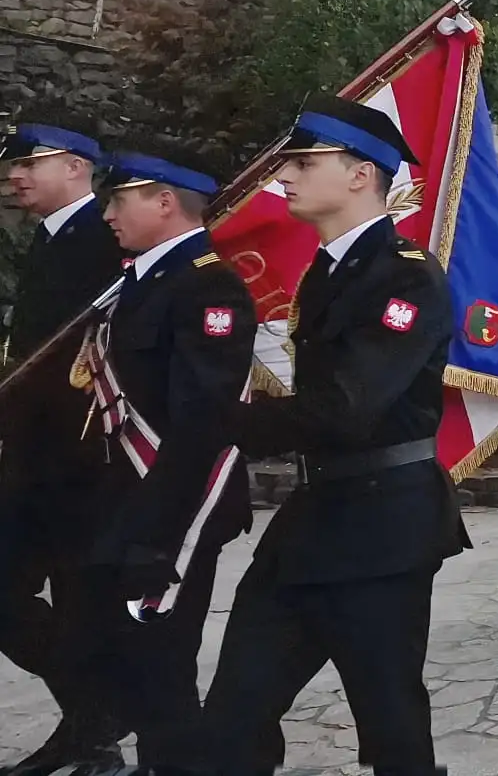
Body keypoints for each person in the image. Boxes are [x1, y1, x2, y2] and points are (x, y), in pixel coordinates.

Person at [202, 95, 472, 776]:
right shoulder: (329, 268)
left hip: (384, 531)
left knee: (392, 731)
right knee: (234, 713)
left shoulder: (406, 276)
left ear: (360, 174)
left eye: (303, 161)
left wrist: (215, 421)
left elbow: (344, 408)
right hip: (317, 519)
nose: (283, 176)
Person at [62, 153, 257, 771]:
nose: (108, 212)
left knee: (162, 668)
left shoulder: (208, 287)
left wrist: (156, 535)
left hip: (176, 509)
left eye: (120, 199)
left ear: (164, 202)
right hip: (122, 505)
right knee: (125, 662)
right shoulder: (138, 282)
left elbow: (201, 424)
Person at [0, 122, 126, 769]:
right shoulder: (52, 243)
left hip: (82, 466)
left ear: (76, 165)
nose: (14, 174)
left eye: (28, 161)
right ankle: (93, 712)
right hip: (31, 463)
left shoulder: (107, 245)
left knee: (80, 604)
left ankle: (93, 733)